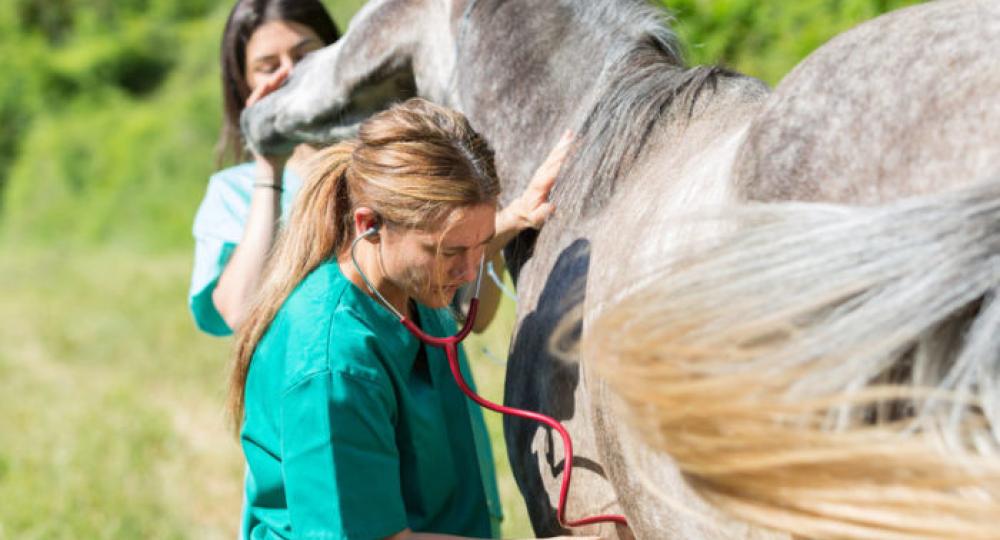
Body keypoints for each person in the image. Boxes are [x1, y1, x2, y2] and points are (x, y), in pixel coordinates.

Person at [228, 98, 574, 539]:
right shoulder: (332, 368)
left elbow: (453, 240)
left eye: (481, 244)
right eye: (450, 253)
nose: (471, 272)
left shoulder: (406, 288)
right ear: (369, 224)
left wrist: (514, 217)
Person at [189, 0, 340, 336]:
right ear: (244, 84)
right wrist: (269, 170)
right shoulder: (235, 192)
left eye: (305, 57)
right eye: (269, 67)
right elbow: (241, 312)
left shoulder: (387, 159)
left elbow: (468, 313)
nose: (291, 74)